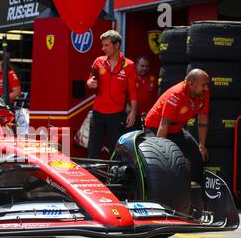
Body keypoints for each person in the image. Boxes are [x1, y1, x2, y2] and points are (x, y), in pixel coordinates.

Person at [144, 69, 210, 182]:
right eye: (203, 85)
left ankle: (193, 192)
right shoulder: (176, 95)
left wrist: (202, 145)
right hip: (156, 126)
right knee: (161, 160)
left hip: (176, 128)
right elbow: (164, 124)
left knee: (197, 157)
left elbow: (203, 119)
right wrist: (160, 152)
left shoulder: (204, 94)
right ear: (191, 83)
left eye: (207, 85)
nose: (206, 88)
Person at [86, 30, 137, 159]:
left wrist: (133, 112)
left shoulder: (129, 65)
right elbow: (90, 80)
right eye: (102, 45)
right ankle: (91, 178)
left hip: (117, 115)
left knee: (115, 151)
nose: (103, 48)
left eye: (106, 45)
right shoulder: (98, 61)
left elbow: (133, 92)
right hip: (98, 114)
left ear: (117, 45)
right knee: (93, 149)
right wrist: (90, 83)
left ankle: (112, 179)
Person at [129, 55, 158, 131]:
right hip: (132, 116)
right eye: (142, 66)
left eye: (146, 66)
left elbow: (156, 98)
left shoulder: (153, 79)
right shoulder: (130, 78)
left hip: (148, 117)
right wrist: (127, 106)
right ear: (136, 65)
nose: (144, 68)